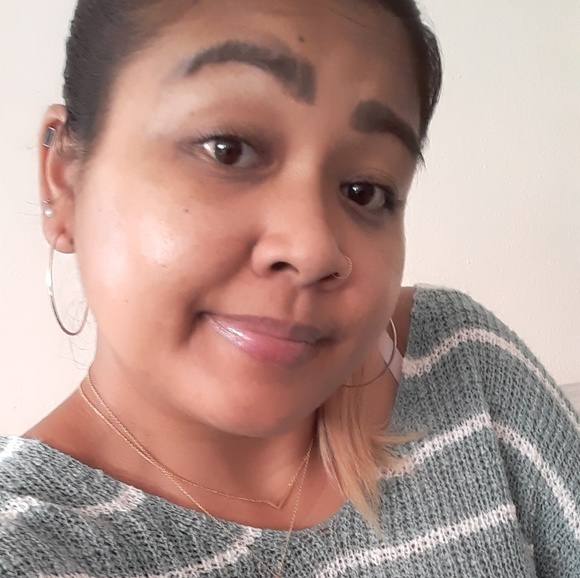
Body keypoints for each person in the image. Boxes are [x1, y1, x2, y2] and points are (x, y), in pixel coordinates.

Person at [0, 0, 578, 576]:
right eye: (228, 150)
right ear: (64, 178)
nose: (313, 249)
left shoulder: (461, 368)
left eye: (365, 190)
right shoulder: (27, 546)